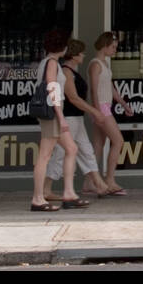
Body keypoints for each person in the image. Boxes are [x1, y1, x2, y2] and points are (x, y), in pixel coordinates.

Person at [46, 39, 107, 200]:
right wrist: (94, 111)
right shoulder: (66, 72)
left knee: (86, 150)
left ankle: (98, 182)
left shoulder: (72, 72)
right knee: (60, 153)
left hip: (77, 119)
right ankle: (46, 187)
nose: (84, 55)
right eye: (81, 53)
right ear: (74, 56)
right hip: (68, 118)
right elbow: (73, 98)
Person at [31, 36, 85, 211]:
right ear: (61, 47)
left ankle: (69, 194)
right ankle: (38, 198)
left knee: (71, 149)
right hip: (53, 114)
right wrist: (61, 117)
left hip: (53, 113)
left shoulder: (46, 62)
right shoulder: (52, 63)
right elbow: (52, 88)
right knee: (45, 156)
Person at [89, 32, 132, 196]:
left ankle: (90, 182)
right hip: (101, 108)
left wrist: (123, 103)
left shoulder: (104, 64)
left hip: (104, 107)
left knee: (98, 146)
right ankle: (110, 180)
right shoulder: (96, 65)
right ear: (104, 46)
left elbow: (111, 89)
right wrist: (97, 110)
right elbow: (93, 89)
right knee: (118, 141)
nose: (115, 50)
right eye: (113, 47)